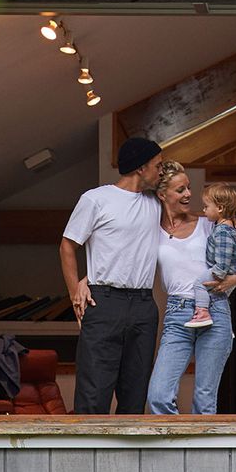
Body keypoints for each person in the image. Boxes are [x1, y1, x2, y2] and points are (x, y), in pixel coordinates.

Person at [59, 136, 163, 414]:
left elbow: (190, 217)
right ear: (141, 168)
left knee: (135, 394)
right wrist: (75, 292)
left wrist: (231, 224)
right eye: (158, 165)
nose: (161, 171)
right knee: (94, 393)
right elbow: (68, 245)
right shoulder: (96, 199)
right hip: (103, 303)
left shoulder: (156, 203)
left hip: (143, 306)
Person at [147, 162, 236, 415]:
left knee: (205, 400)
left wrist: (230, 282)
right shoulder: (151, 230)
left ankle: (198, 454)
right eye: (180, 189)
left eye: (189, 188)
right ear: (163, 195)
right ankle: (175, 451)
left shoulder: (209, 224)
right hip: (177, 314)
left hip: (215, 310)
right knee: (158, 396)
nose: (188, 194)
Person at [184, 181, 236, 329]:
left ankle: (202, 312)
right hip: (225, 271)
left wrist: (218, 273)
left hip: (223, 271)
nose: (203, 210)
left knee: (199, 284)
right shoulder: (224, 227)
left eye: (206, 206)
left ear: (220, 208)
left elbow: (224, 256)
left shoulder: (223, 231)